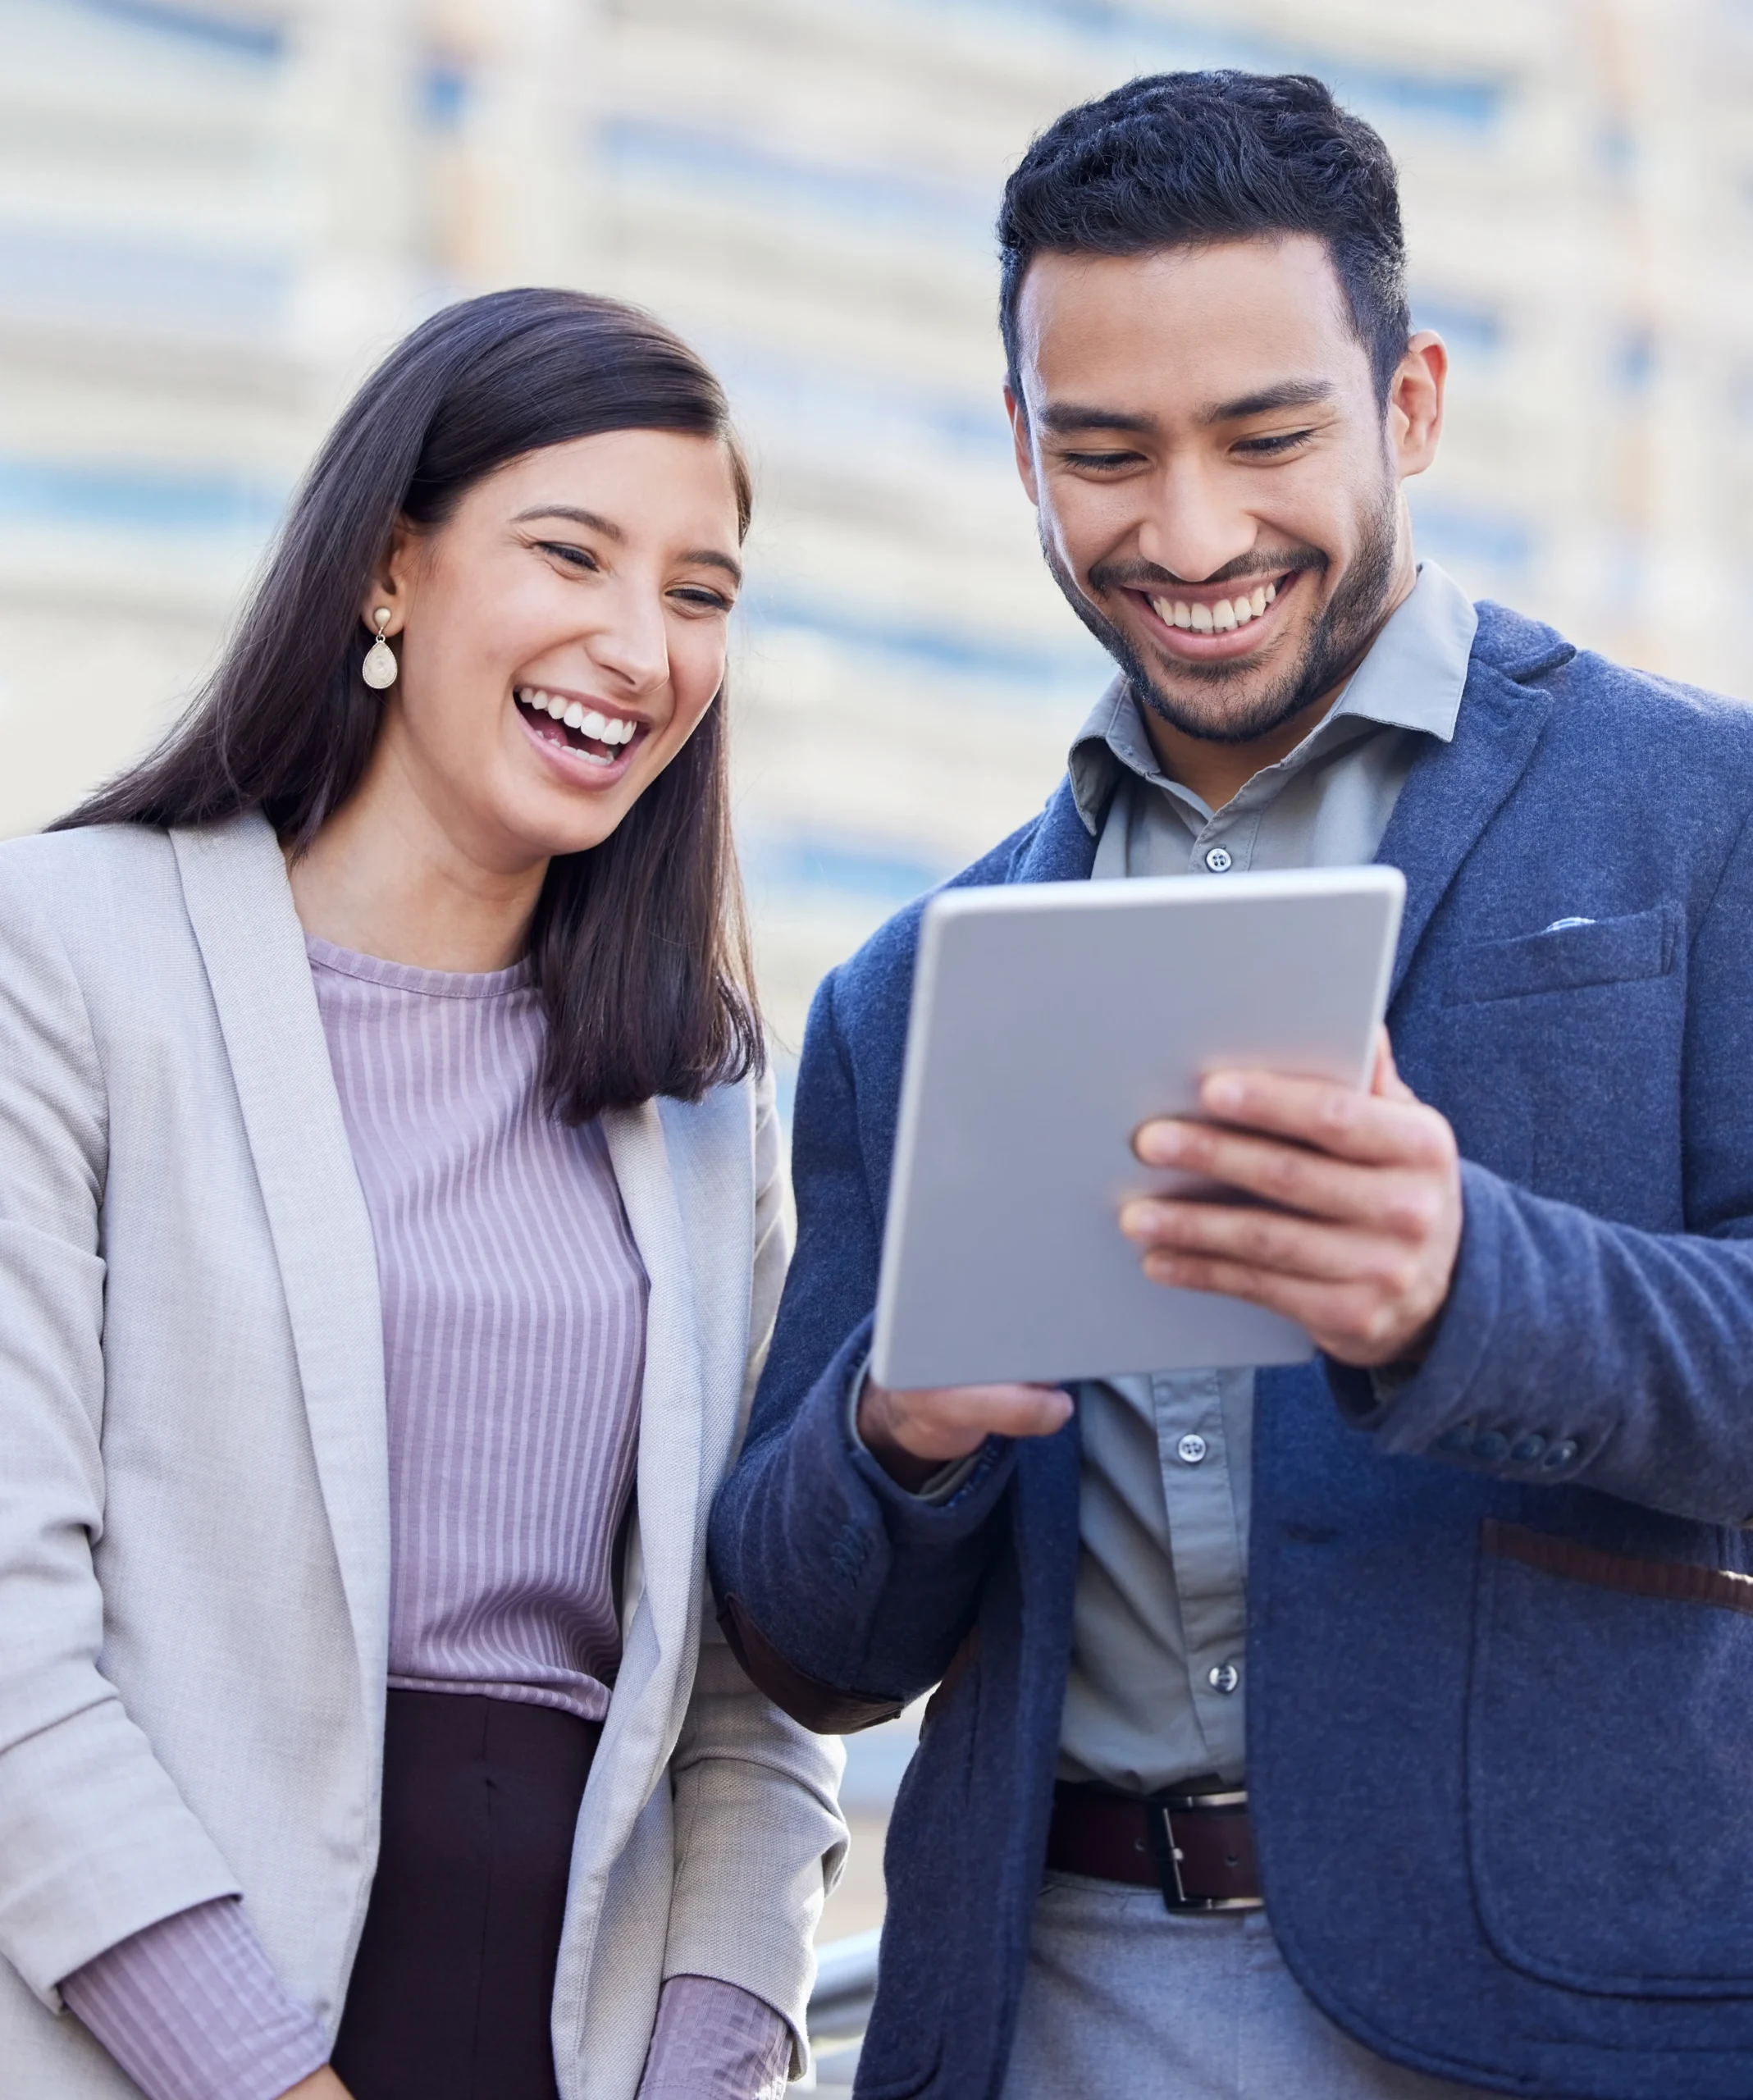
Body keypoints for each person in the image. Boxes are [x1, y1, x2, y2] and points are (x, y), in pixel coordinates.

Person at [709, 69, 1753, 2100]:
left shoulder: (1704, 816)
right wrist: (895, 1433)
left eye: (1266, 437)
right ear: (1021, 445)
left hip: (1575, 2016)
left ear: (1415, 402)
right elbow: (809, 1638)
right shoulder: (911, 991)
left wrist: (1467, 1282)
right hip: (1056, 2011)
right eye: (1105, 453)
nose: (1190, 534)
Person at [0, 287, 845, 2100]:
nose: (641, 644)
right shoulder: (68, 957)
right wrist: (253, 2070)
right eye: (573, 555)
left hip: (576, 2042)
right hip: (159, 2035)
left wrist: (710, 2061)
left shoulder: (705, 1101)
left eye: (701, 592)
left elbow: (745, 1706)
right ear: (392, 569)